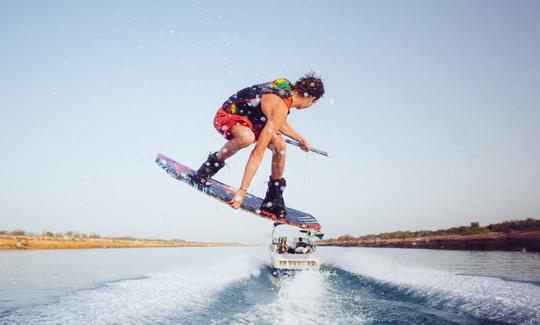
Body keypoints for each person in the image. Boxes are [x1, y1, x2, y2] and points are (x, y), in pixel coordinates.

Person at [192, 73, 325, 218]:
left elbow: (278, 120)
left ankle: (274, 198)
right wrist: (241, 192)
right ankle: (207, 169)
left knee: (280, 144)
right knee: (247, 138)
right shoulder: (280, 104)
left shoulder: (285, 89)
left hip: (254, 121)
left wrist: (301, 139)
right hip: (229, 114)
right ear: (312, 98)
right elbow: (258, 152)